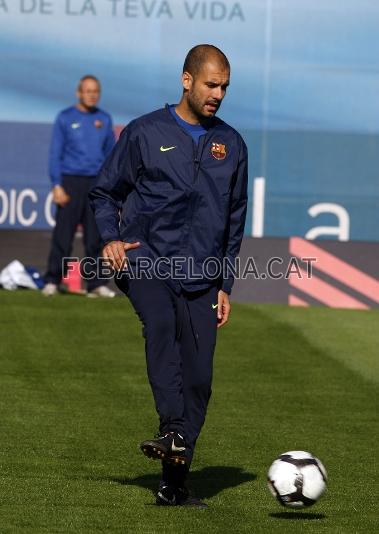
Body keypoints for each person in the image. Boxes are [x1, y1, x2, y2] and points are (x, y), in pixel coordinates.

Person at [90, 45, 248, 507]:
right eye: (210, 84)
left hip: (203, 274)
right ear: (187, 80)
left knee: (199, 379)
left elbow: (234, 218)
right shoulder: (144, 132)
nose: (217, 94)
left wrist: (225, 284)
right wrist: (110, 237)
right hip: (146, 260)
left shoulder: (232, 145)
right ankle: (172, 429)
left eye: (224, 87)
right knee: (160, 325)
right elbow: (105, 192)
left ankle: (174, 485)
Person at [42, 75, 116, 297]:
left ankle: (97, 284)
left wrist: (109, 186)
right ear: (79, 93)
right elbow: (55, 154)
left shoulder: (104, 119)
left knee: (96, 238)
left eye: (96, 91)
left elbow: (111, 155)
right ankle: (53, 280)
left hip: (96, 184)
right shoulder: (65, 118)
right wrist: (57, 185)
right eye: (88, 91)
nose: (92, 95)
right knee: (63, 237)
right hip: (70, 182)